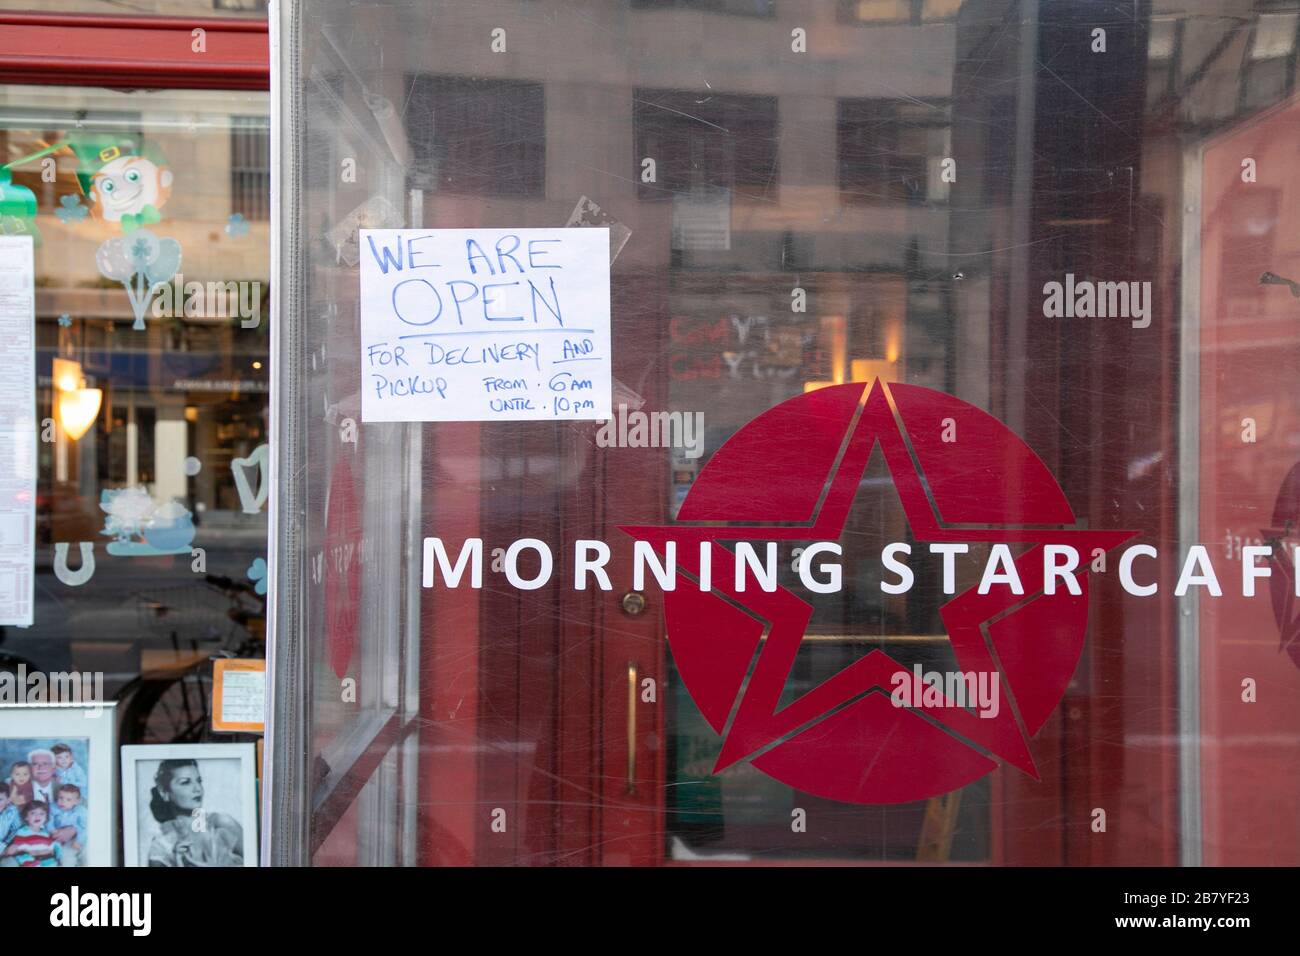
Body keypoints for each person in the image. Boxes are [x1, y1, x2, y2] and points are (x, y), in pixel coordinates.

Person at [145, 760, 243, 867]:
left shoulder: (221, 825)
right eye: (185, 782)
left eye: (199, 781)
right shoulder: (161, 847)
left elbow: (259, 860)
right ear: (164, 792)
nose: (198, 789)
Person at [2, 802, 61, 867]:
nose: (37, 816)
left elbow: (53, 846)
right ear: (26, 817)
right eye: (33, 813)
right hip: (29, 860)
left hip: (46, 859)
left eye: (42, 813)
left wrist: (58, 853)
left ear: (46, 818)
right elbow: (19, 851)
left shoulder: (46, 832)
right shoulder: (22, 831)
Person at [50, 784, 86, 867]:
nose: (63, 802)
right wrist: (52, 830)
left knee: (84, 852)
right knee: (65, 857)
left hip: (75, 838)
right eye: (60, 798)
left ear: (76, 801)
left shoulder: (80, 811)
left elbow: (84, 828)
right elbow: (49, 820)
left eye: (68, 800)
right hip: (58, 838)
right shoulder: (53, 807)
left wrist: (78, 841)